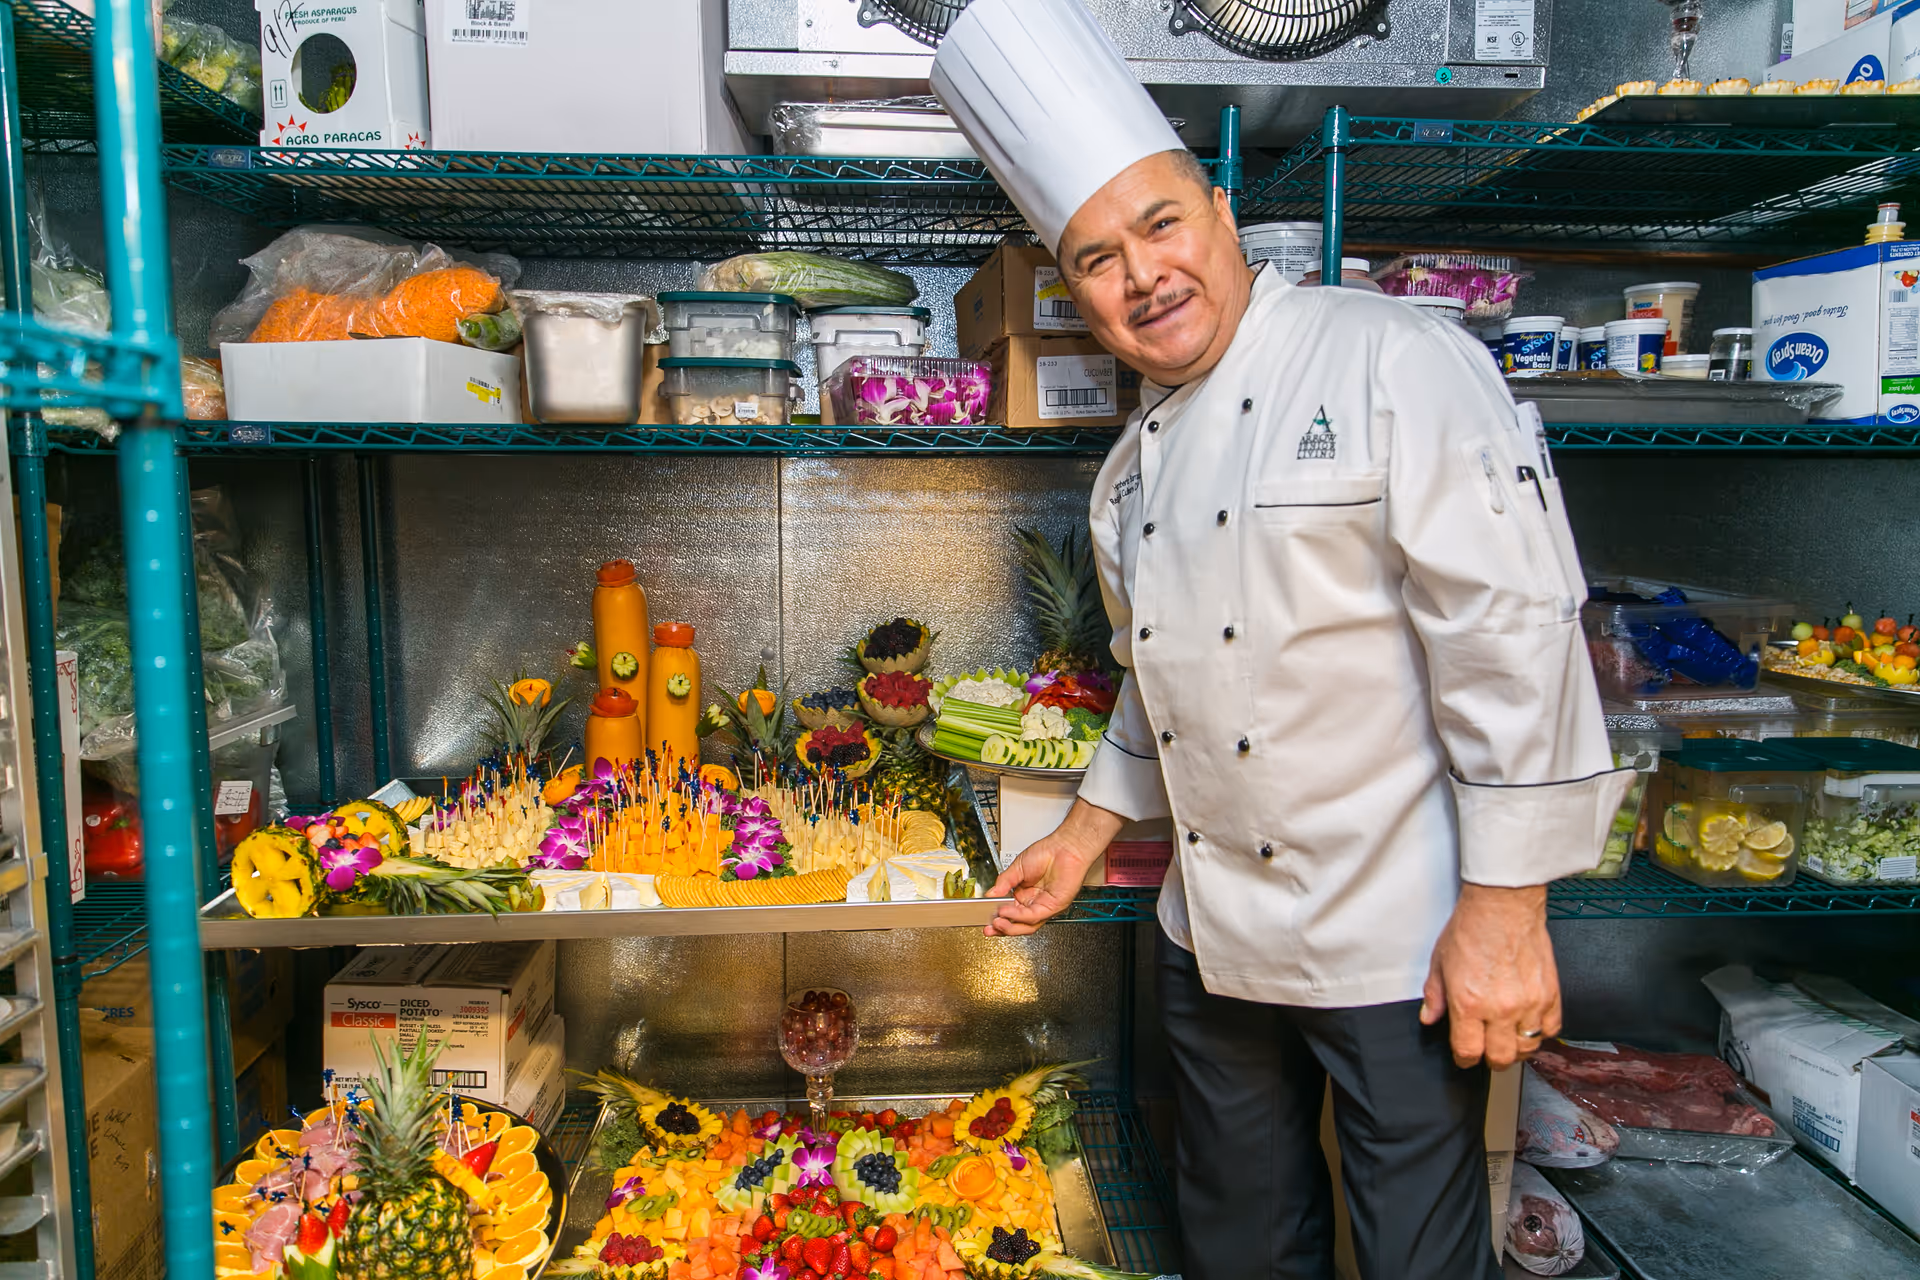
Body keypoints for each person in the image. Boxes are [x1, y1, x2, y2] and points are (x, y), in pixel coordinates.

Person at [932, 3, 1633, 1278]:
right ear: (1074, 289)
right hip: (1213, 937)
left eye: (1159, 225)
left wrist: (1508, 911)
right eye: (1097, 258)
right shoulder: (1130, 473)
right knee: (1238, 1248)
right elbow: (1171, 683)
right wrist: (1084, 836)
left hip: (1403, 933)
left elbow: (1513, 635)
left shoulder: (1393, 359)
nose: (1143, 275)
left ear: (1214, 209)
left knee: (1418, 1257)